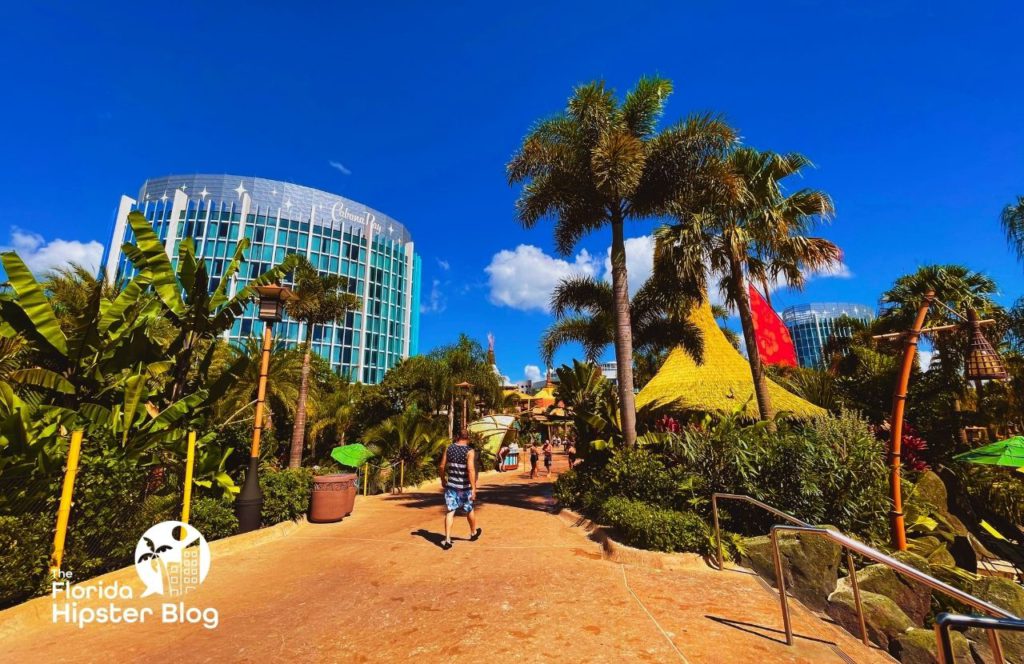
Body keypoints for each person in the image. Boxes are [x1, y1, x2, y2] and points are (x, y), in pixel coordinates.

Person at [438, 429, 481, 550]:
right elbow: (470, 470)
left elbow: (441, 466)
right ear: (468, 438)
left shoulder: (449, 448)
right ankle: (473, 533)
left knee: (450, 511)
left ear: (457, 437)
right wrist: (473, 489)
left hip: (451, 486)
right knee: (469, 509)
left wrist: (442, 479)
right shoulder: (469, 451)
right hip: (465, 487)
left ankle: (447, 540)